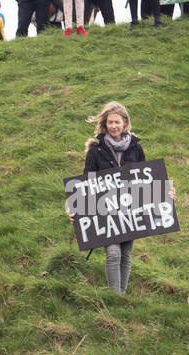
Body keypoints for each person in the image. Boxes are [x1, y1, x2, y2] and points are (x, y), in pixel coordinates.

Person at [67, 101, 175, 295]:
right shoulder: (95, 151)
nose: (114, 126)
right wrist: (74, 207)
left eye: (117, 122)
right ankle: (115, 297)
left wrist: (165, 195)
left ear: (125, 123)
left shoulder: (136, 149)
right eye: (110, 122)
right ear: (105, 124)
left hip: (130, 211)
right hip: (106, 212)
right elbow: (86, 183)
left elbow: (147, 179)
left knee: (126, 254)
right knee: (114, 253)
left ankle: (121, 298)